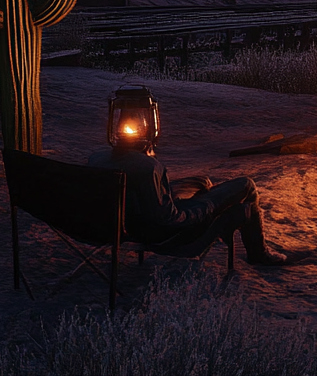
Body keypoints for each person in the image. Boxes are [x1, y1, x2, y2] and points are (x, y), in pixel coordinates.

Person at [89, 89, 305, 266]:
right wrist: (207, 206)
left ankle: (216, 200)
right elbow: (170, 220)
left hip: (126, 226)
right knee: (246, 186)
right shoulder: (147, 168)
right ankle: (259, 253)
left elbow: (141, 199)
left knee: (201, 182)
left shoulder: (97, 161)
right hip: (167, 236)